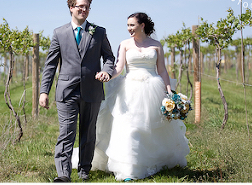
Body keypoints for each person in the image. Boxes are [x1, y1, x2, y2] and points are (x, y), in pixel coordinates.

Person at [78, 12, 189, 181]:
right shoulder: (125, 44)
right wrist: (107, 75)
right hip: (130, 90)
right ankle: (129, 169)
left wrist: (169, 92)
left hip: (153, 89)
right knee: (130, 128)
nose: (129, 29)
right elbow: (119, 68)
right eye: (127, 25)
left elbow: (162, 70)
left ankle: (151, 161)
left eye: (132, 25)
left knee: (150, 128)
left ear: (142, 25)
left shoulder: (156, 45)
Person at [39, 0, 116, 182]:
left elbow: (109, 57)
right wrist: (43, 91)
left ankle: (84, 170)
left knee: (88, 132)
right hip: (66, 91)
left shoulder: (98, 32)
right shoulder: (59, 33)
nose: (84, 9)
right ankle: (63, 174)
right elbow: (50, 64)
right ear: (71, 8)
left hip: (92, 89)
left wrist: (106, 70)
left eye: (87, 7)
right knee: (66, 132)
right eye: (80, 6)